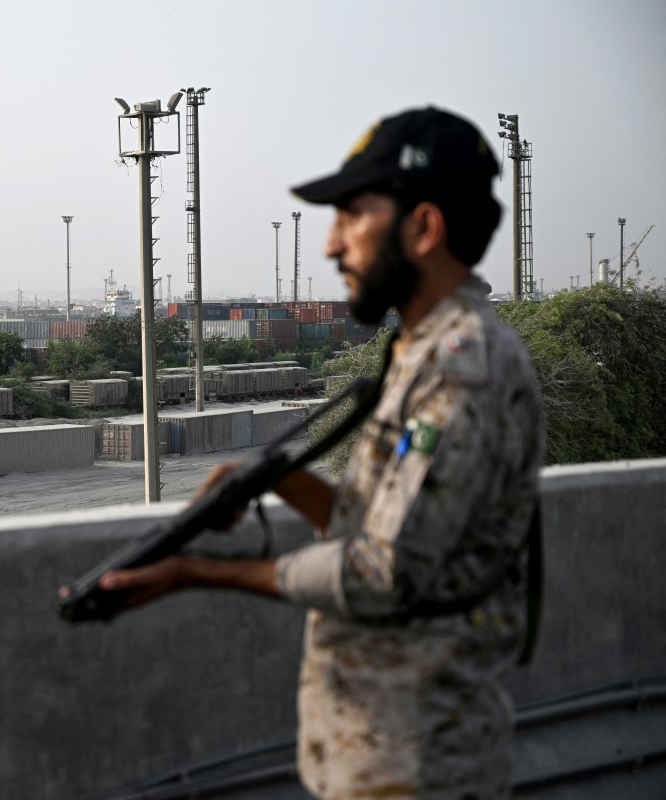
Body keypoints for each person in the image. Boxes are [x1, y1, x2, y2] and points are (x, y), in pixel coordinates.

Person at [99, 107, 545, 799]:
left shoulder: (463, 367)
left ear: (424, 228)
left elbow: (380, 575)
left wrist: (194, 572)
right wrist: (270, 480)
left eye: (352, 217)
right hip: (380, 752)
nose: (332, 246)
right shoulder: (423, 350)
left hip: (419, 763)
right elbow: (381, 530)